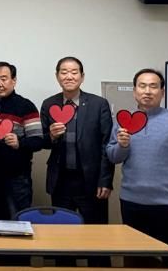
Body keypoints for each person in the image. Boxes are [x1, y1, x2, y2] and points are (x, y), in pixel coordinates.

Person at [107, 68, 168, 271]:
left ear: (162, 92)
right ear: (134, 91)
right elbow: (113, 157)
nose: (147, 91)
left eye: (153, 86)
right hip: (132, 202)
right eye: (142, 86)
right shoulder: (123, 122)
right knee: (136, 258)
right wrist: (122, 145)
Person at [41, 56, 114, 224]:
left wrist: (105, 180)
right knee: (62, 231)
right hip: (61, 181)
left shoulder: (99, 104)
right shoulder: (49, 104)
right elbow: (42, 141)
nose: (69, 76)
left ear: (82, 76)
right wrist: (51, 136)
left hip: (91, 180)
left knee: (96, 231)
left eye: (74, 72)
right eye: (64, 72)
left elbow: (107, 144)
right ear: (57, 76)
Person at [0, 62, 43, 219]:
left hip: (17, 178)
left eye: (3, 79)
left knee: (17, 221)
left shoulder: (26, 106)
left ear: (14, 80)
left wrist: (19, 143)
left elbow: (38, 140)